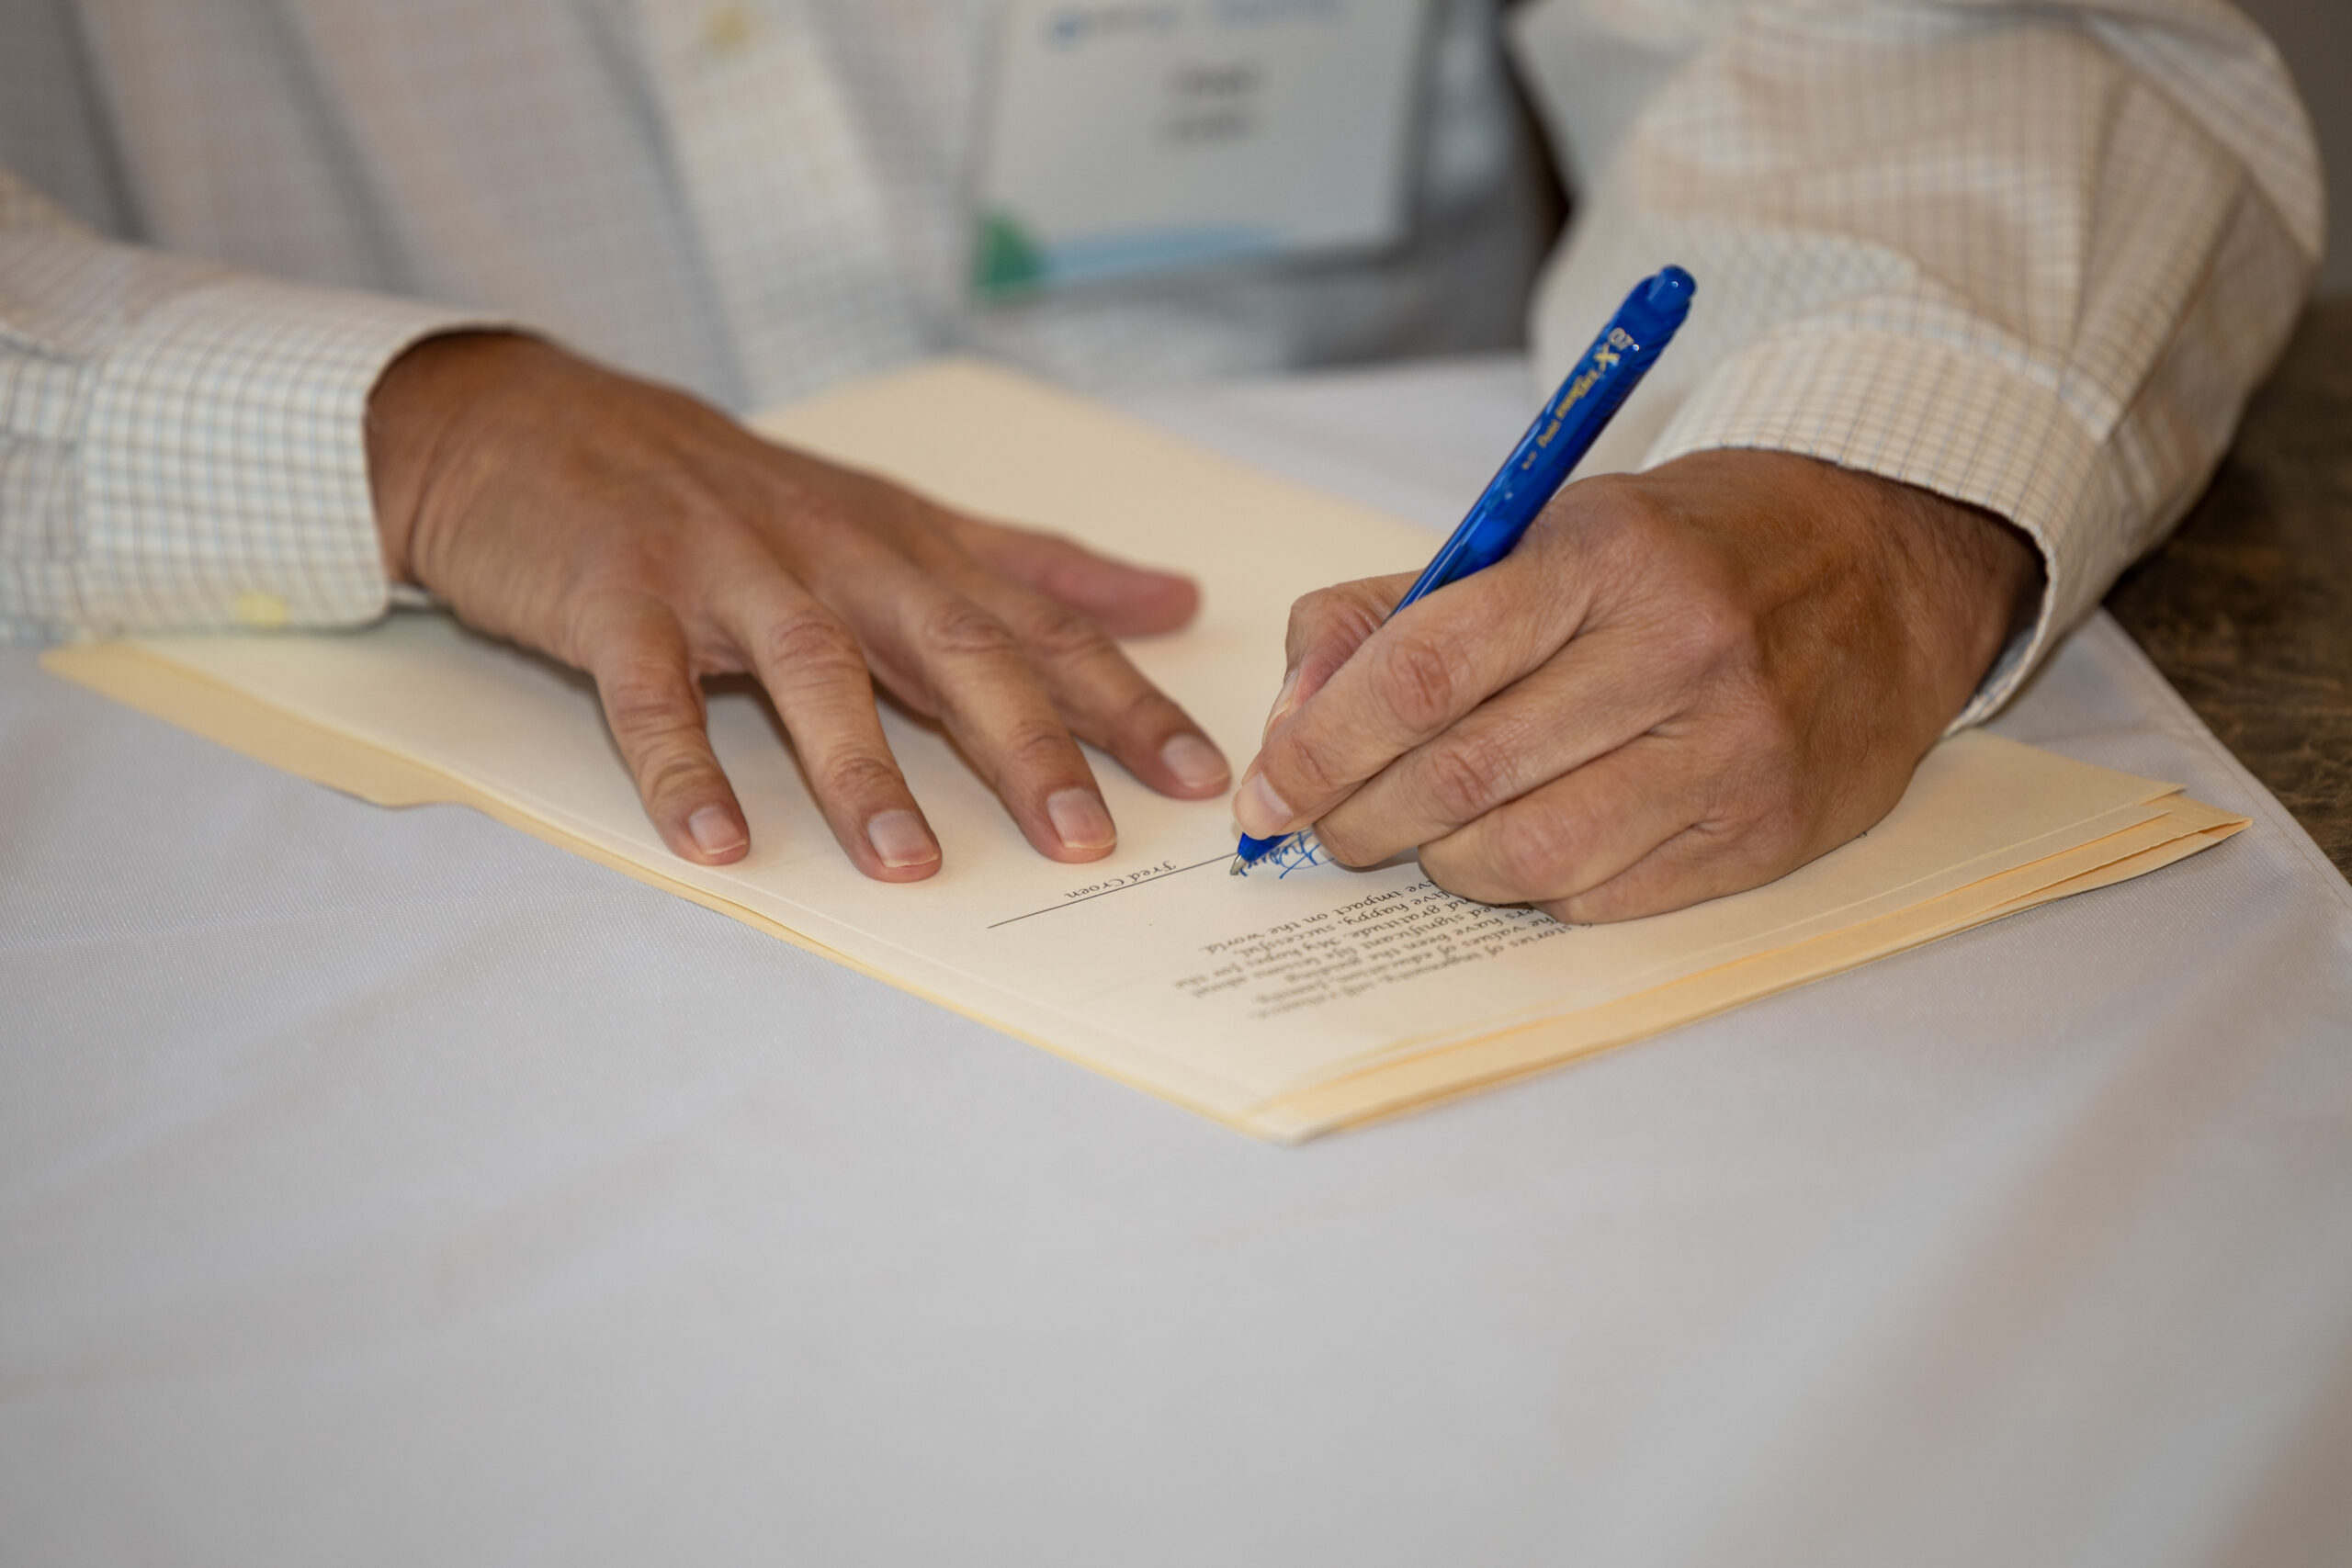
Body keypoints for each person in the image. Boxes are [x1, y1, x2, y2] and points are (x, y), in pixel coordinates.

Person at [0, 0, 2322, 918]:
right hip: (309, 824)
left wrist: (1863, 492)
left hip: (1414, 687)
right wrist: (411, 425)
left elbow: (1980, 45)